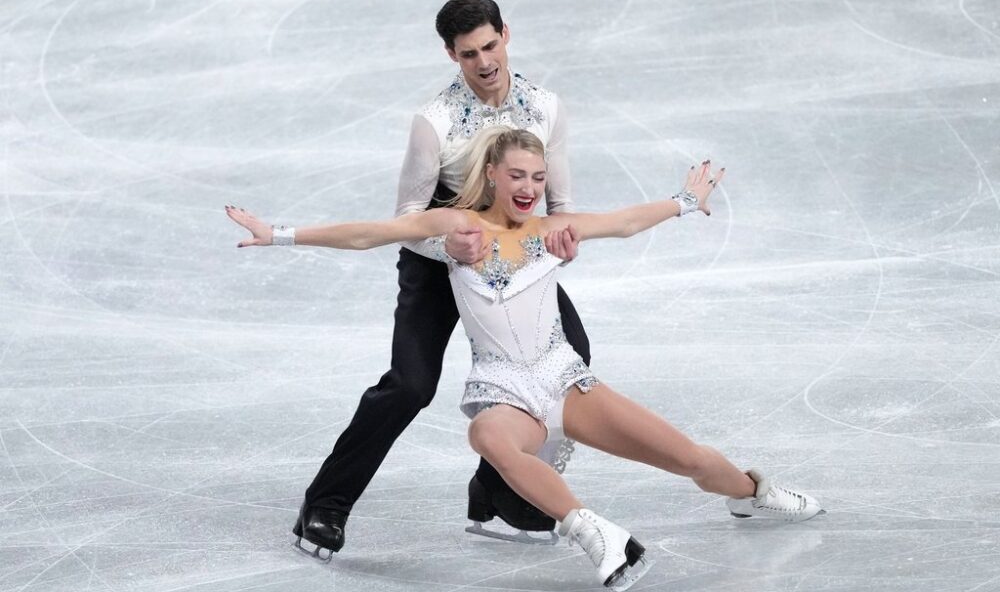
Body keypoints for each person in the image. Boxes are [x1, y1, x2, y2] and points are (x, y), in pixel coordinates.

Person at [225, 127, 824, 591]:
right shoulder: (456, 227)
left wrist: (685, 201)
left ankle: (751, 492)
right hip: (505, 389)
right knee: (488, 436)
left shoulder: (550, 230)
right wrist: (279, 234)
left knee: (692, 460)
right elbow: (369, 233)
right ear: (491, 173)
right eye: (517, 174)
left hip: (564, 379)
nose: (529, 186)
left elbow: (623, 224)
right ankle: (595, 534)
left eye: (538, 177)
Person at [293, 0, 592, 557]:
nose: (484, 62)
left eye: (490, 46)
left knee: (569, 357)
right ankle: (325, 503)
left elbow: (562, 203)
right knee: (410, 384)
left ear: (506, 34)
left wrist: (561, 237)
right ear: (451, 55)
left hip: (509, 260)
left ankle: (496, 490)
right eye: (468, 53)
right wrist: (446, 244)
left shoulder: (545, 107)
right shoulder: (435, 121)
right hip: (437, 260)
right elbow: (406, 219)